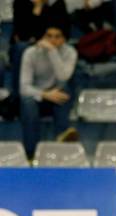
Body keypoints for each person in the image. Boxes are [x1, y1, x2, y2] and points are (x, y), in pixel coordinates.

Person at [19, 24, 78, 159]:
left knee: (65, 86)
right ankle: (31, 153)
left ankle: (62, 136)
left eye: (57, 37)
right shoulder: (30, 53)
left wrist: (52, 52)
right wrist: (45, 94)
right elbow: (24, 87)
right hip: (37, 97)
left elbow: (62, 77)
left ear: (64, 39)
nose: (52, 40)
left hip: (58, 95)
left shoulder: (70, 52)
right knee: (27, 102)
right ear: (42, 37)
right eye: (49, 36)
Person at [11, 0, 70, 98]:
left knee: (68, 50)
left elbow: (63, 32)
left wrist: (48, 40)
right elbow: (23, 34)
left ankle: (57, 93)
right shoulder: (20, 3)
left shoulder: (57, 4)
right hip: (28, 46)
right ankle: (17, 98)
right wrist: (37, 8)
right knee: (21, 48)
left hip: (52, 44)